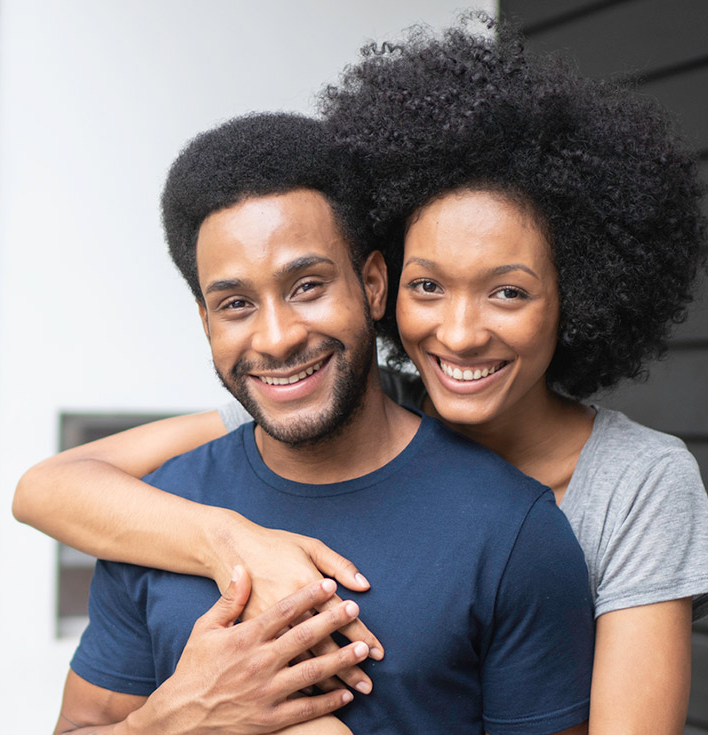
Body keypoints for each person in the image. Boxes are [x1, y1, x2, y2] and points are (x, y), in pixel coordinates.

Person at [18, 22, 708, 734]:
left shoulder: (629, 486)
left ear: (576, 294)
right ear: (384, 284)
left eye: (508, 292)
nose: (458, 332)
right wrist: (229, 548)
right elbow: (49, 488)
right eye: (427, 287)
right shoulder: (316, 408)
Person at [54, 111, 594, 735]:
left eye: (307, 286)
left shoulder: (514, 533)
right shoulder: (156, 518)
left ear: (371, 284)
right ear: (205, 322)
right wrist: (176, 720)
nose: (277, 338)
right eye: (235, 304)